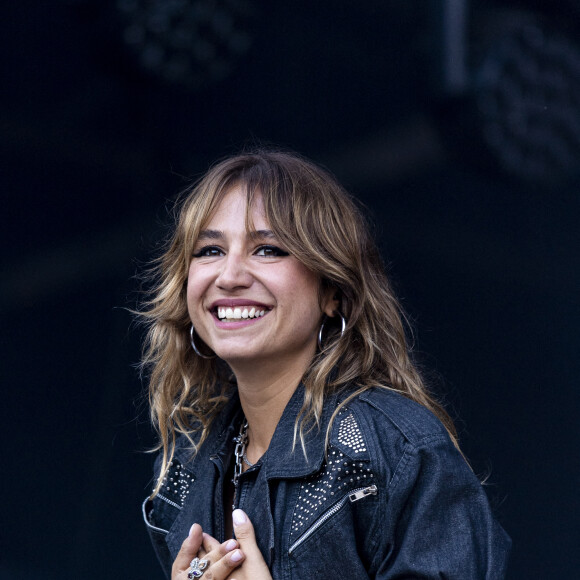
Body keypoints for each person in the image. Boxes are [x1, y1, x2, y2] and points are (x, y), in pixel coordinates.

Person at [139, 149, 511, 579]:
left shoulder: (394, 452)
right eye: (209, 250)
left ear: (333, 291)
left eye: (268, 249)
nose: (230, 275)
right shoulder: (185, 461)